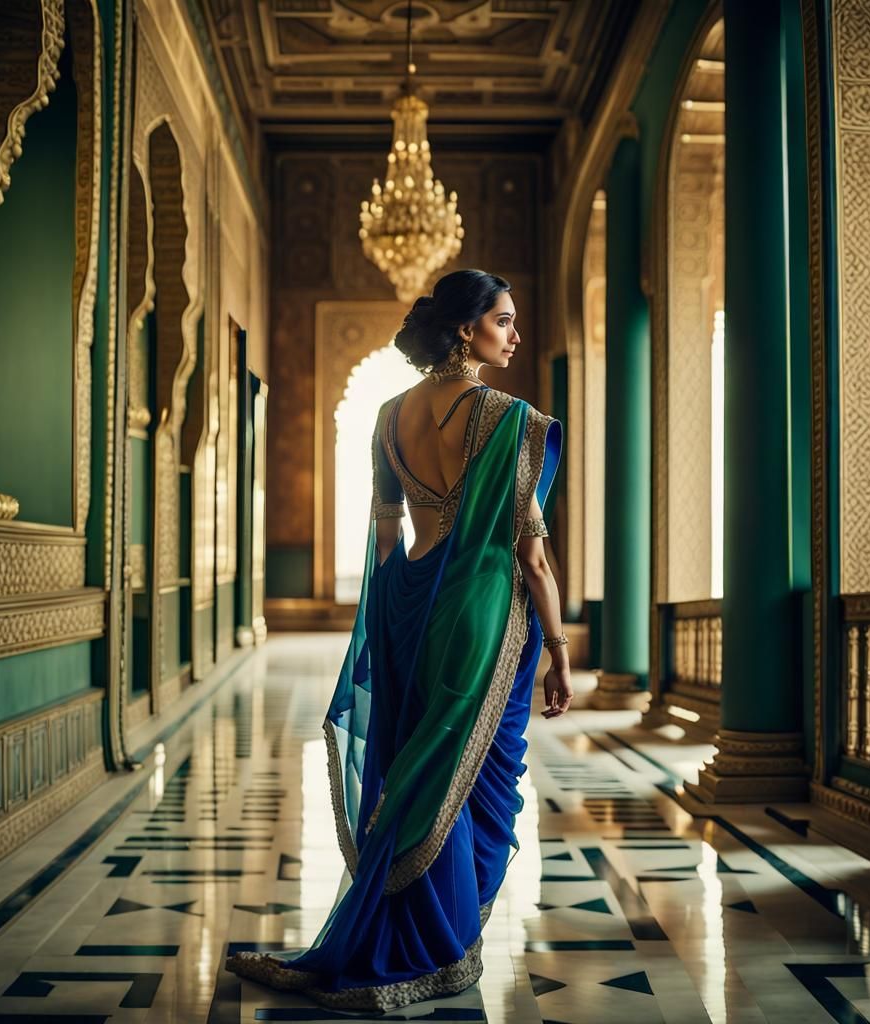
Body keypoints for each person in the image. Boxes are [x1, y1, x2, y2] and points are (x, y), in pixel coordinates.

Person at [226, 269, 572, 1011]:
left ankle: (393, 940)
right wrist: (560, 650)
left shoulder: (389, 416)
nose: (513, 333)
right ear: (464, 329)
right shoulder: (516, 419)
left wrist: (391, 616)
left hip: (409, 602)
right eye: (503, 320)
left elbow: (387, 531)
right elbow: (533, 554)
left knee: (420, 774)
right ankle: (421, 950)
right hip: (482, 616)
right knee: (470, 780)